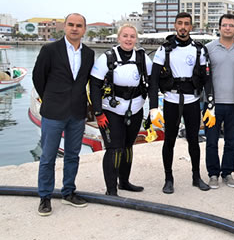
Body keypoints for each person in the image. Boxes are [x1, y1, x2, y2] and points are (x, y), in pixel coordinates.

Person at [32, 13, 95, 216]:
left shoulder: (89, 54)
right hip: (53, 112)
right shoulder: (50, 50)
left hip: (77, 112)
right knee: (48, 156)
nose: (74, 28)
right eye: (71, 24)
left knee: (72, 155)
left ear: (84, 29)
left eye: (79, 25)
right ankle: (45, 197)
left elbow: (86, 80)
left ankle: (68, 192)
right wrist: (50, 98)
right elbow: (38, 77)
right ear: (65, 27)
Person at [148, 12, 214, 194]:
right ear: (175, 26)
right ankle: (168, 179)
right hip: (171, 101)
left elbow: (207, 80)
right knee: (169, 141)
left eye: (186, 24)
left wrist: (210, 105)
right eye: (180, 23)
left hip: (193, 101)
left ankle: (196, 177)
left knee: (194, 140)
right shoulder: (164, 50)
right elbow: (154, 81)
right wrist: (153, 107)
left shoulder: (199, 49)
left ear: (191, 27)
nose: (183, 27)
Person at [90, 24, 152, 196]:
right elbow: (94, 86)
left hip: (135, 110)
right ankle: (111, 190)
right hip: (111, 111)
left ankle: (124, 182)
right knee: (114, 148)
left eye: (132, 36)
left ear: (136, 39)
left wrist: (153, 108)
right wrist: (98, 113)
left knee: (128, 147)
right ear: (119, 38)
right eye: (125, 36)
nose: (128, 39)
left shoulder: (142, 58)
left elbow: (153, 82)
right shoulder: (107, 58)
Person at [204, 14, 234, 189]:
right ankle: (213, 174)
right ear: (219, 27)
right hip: (212, 105)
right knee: (211, 141)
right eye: (224, 25)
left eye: (231, 25)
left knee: (231, 141)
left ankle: (227, 173)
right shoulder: (209, 48)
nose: (227, 28)